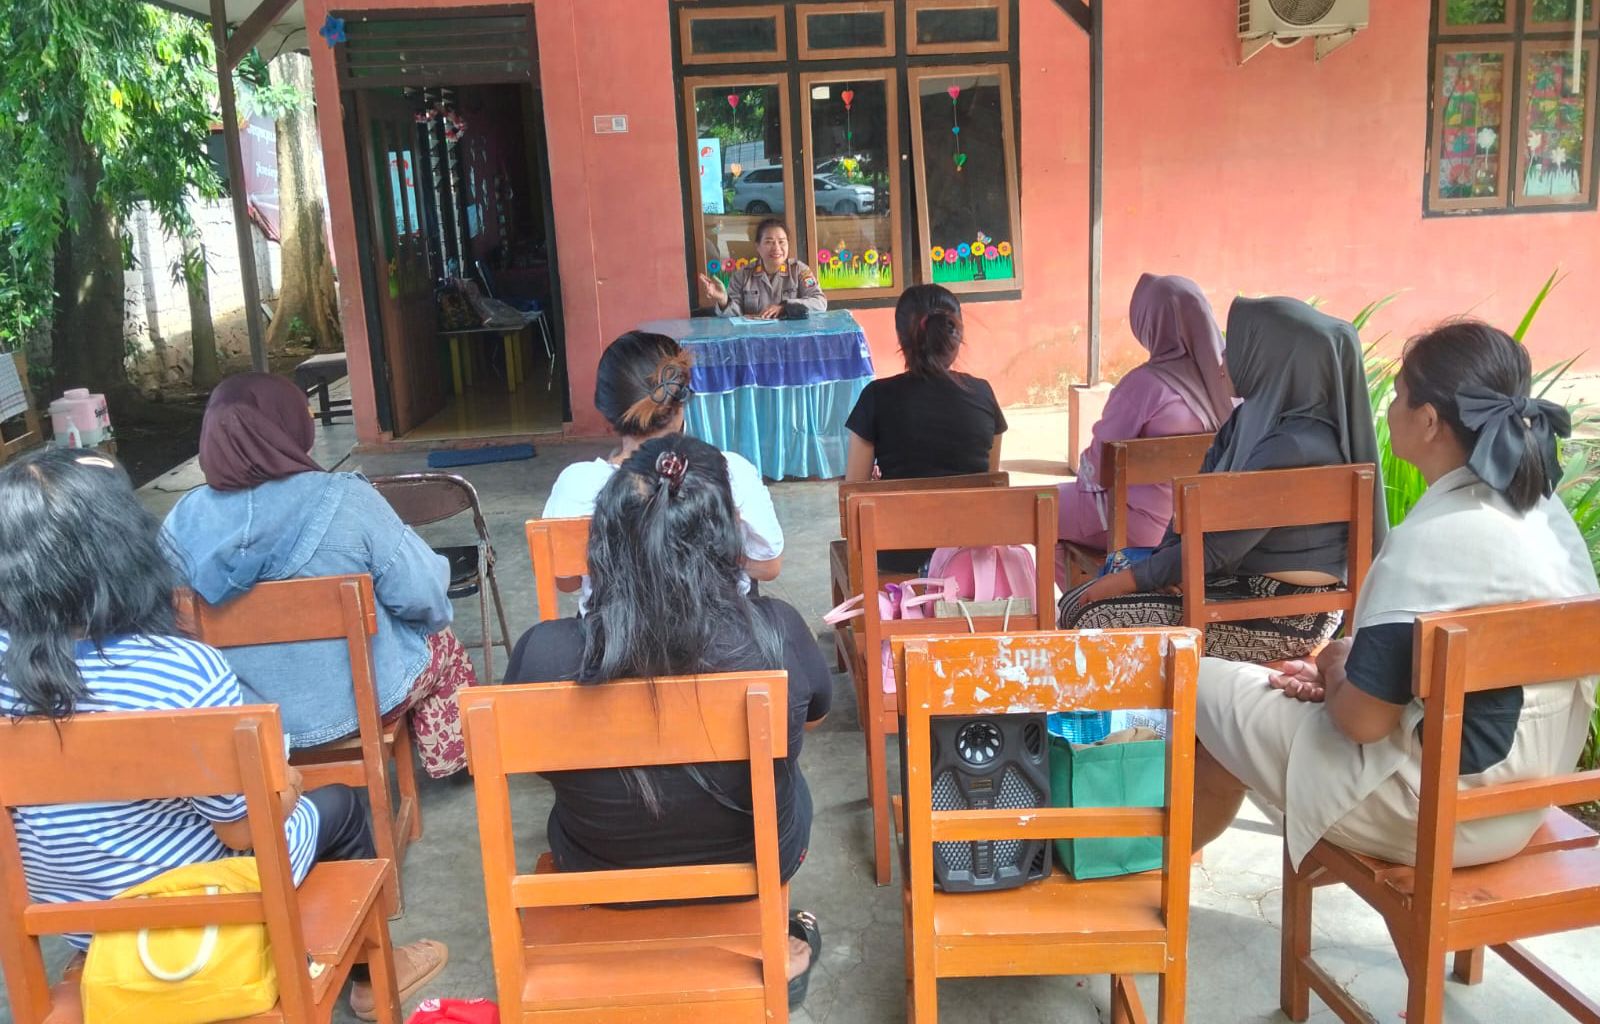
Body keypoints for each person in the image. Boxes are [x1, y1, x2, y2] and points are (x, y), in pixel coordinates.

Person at [0, 450, 447, 1018]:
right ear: (124, 548)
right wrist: (284, 781)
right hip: (201, 908)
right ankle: (369, 977)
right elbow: (240, 830)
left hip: (77, 915)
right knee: (341, 805)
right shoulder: (179, 670)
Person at [1191, 320, 1597, 870]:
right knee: (1247, 718)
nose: (1389, 410)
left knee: (1198, 680)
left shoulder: (1433, 541)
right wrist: (1351, 674)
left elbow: (1362, 723)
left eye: (1400, 395)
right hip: (1522, 805)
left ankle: (1145, 876)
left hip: (1426, 814)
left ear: (1429, 421)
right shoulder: (1547, 519)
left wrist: (1336, 665)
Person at [506, 435, 829, 1010]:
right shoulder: (776, 633)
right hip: (752, 862)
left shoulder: (543, 654)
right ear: (728, 537)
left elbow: (527, 762)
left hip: (597, 866)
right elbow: (816, 717)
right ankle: (775, 938)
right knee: (788, 778)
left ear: (603, 536)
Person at [163, 373, 476, 779]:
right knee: (442, 639)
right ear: (289, 428)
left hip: (246, 717)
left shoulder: (181, 520)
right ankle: (459, 764)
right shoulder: (346, 498)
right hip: (361, 707)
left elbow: (169, 628)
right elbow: (424, 594)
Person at [1058, 296, 1388, 663]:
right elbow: (1192, 506)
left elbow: (1220, 547)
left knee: (1090, 617)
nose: (1220, 362)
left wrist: (1130, 580)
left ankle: (1146, 702)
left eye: (1234, 350)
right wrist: (1163, 569)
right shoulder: (1249, 420)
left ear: (1268, 357)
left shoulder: (1296, 445)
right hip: (1236, 586)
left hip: (1289, 613)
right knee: (1085, 598)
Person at [543, 331, 784, 604]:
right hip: (721, 626)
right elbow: (768, 566)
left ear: (608, 414)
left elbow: (566, 580)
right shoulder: (731, 473)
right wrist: (718, 550)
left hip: (612, 629)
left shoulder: (576, 485)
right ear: (679, 406)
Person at [1059, 273, 1233, 557]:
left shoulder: (1143, 386)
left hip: (1140, 525)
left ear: (1148, 323)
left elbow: (1100, 463)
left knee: (1039, 509)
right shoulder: (1232, 384)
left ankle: (1096, 587)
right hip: (1208, 526)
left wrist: (1086, 477)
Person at [698, 218, 827, 319]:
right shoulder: (743, 275)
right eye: (769, 242)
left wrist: (785, 307)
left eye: (782, 242)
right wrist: (722, 299)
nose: (776, 248)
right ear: (758, 246)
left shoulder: (799, 270)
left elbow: (820, 303)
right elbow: (735, 314)